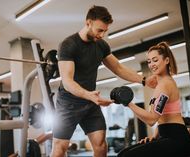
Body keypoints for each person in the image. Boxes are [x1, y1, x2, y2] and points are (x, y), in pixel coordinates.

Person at [51, 5, 157, 157]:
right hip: (68, 103)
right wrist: (89, 95)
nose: (102, 34)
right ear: (88, 23)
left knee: (101, 145)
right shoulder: (69, 45)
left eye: (105, 31)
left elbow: (118, 68)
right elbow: (68, 82)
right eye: (99, 30)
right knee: (60, 146)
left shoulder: (101, 45)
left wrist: (144, 80)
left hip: (90, 103)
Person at [117, 42, 190, 157]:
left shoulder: (165, 85)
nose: (151, 64)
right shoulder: (161, 84)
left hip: (178, 140)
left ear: (167, 60)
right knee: (123, 153)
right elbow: (161, 117)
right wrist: (154, 136)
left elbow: (151, 119)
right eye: (149, 61)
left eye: (155, 60)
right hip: (167, 136)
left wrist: (128, 103)